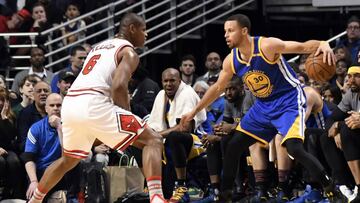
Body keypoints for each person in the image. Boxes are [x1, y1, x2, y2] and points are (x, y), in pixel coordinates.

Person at [180, 14, 347, 202]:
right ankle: (225, 195)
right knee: (233, 145)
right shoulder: (231, 60)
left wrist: (322, 43)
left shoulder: (267, 46)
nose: (226, 35)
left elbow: (301, 46)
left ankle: (331, 189)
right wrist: (193, 111)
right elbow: (217, 87)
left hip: (288, 102)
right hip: (263, 106)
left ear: (244, 31)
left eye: (230, 30)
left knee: (294, 148)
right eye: (225, 31)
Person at [28, 13, 167, 203]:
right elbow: (118, 87)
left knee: (68, 160)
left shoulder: (98, 48)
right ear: (132, 28)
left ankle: (35, 200)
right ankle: (157, 198)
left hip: (71, 103)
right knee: (153, 140)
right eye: (144, 29)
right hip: (93, 102)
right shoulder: (129, 52)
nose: (146, 34)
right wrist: (127, 116)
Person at [147, 68, 206, 202]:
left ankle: (181, 186)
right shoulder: (161, 95)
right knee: (140, 142)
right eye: (166, 81)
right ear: (161, 82)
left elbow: (184, 128)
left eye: (172, 80)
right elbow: (153, 124)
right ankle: (152, 187)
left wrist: (157, 135)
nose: (169, 84)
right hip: (168, 139)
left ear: (179, 81)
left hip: (196, 139)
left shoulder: (187, 93)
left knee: (174, 137)